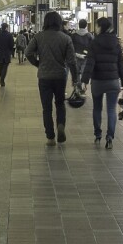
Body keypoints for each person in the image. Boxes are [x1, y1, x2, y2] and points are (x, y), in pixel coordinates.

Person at [26, 12, 78, 146]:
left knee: (46, 107)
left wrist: (37, 63)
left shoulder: (39, 37)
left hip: (44, 76)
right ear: (59, 22)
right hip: (60, 76)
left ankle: (50, 137)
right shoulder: (66, 38)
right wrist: (75, 79)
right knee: (60, 104)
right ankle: (60, 125)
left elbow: (28, 52)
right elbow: (72, 61)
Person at [81, 17, 123, 149]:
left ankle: (98, 134)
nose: (95, 28)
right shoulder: (116, 43)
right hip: (113, 81)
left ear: (101, 27)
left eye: (97, 26)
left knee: (97, 108)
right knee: (111, 109)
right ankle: (110, 137)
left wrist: (84, 81)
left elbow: (90, 63)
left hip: (97, 81)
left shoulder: (94, 43)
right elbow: (121, 64)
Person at [70, 19, 93, 89]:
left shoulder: (73, 35)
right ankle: (84, 86)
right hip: (86, 57)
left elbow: (71, 47)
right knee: (84, 72)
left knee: (76, 73)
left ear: (78, 25)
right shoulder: (89, 35)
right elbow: (92, 47)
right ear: (86, 26)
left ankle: (78, 86)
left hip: (76, 56)